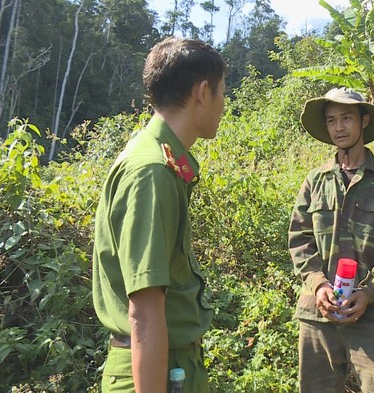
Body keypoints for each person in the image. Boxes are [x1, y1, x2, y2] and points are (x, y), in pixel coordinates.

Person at [92, 37, 227, 393]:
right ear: (202, 92)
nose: (224, 106)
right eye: (222, 93)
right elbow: (145, 313)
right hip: (154, 374)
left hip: (170, 367)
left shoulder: (163, 161)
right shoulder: (152, 171)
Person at [288, 87, 374, 392]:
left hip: (372, 312)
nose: (339, 127)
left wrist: (369, 293)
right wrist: (318, 285)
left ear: (364, 121)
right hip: (318, 313)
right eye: (331, 120)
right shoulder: (315, 180)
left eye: (346, 118)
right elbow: (299, 238)